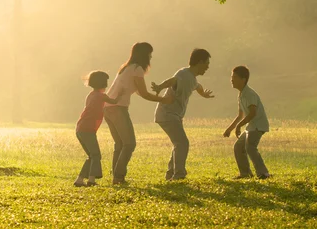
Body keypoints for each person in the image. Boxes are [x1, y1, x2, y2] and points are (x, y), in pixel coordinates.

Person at [104, 42, 172, 185]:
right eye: (149, 54)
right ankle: (118, 176)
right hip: (118, 108)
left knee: (120, 143)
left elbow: (138, 91)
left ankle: (117, 177)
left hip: (107, 108)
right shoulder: (137, 69)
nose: (151, 57)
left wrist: (155, 95)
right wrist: (164, 100)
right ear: (144, 54)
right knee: (129, 144)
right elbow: (144, 94)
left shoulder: (126, 68)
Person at [151, 48, 215, 180]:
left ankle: (171, 174)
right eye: (207, 63)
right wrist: (159, 87)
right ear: (200, 62)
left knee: (178, 143)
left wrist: (204, 95)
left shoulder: (192, 78)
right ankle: (179, 175)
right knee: (182, 143)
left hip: (174, 115)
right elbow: (172, 81)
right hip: (167, 114)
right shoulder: (184, 73)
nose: (208, 67)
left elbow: (198, 86)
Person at [223, 66, 270, 179]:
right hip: (251, 126)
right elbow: (240, 115)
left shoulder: (249, 93)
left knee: (250, 147)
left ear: (243, 79)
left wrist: (239, 126)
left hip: (258, 125)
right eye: (231, 77)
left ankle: (263, 173)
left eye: (234, 77)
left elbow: (252, 113)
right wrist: (229, 129)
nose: (231, 80)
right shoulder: (241, 94)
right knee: (238, 147)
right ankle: (245, 174)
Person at [74, 71, 120, 187]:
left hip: (81, 128)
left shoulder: (91, 94)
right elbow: (114, 101)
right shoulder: (101, 96)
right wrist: (121, 93)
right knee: (95, 155)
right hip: (87, 129)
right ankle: (91, 180)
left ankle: (80, 180)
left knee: (92, 155)